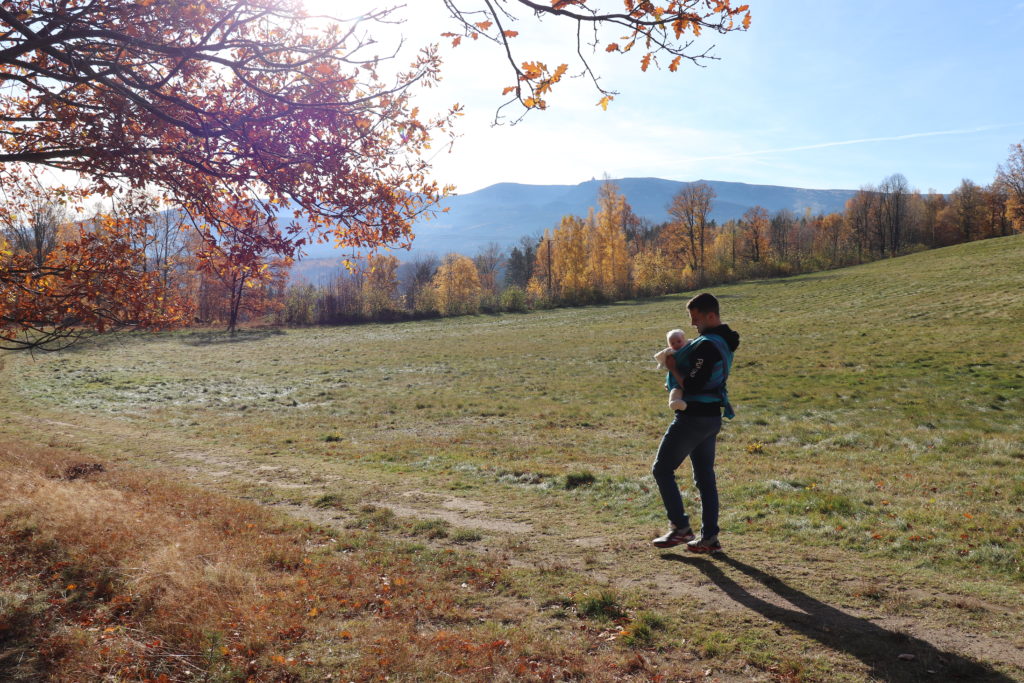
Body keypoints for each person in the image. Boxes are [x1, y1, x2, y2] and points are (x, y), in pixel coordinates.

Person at [651, 292, 740, 553]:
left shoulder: (707, 345)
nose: (692, 324)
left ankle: (681, 528)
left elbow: (692, 384)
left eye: (696, 318)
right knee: (705, 478)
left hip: (694, 418)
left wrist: (672, 367)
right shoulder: (724, 341)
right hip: (712, 417)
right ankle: (709, 538)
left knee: (662, 469)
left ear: (711, 316)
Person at [653, 329, 689, 412]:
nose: (676, 344)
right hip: (675, 376)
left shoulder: (688, 347)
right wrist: (661, 364)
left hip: (686, 373)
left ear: (684, 340)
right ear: (669, 345)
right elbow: (660, 356)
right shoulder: (670, 352)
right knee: (676, 388)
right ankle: (674, 401)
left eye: (679, 341)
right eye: (672, 343)